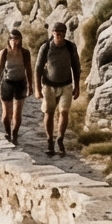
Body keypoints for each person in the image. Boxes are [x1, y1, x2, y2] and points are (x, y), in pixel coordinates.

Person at [37, 20, 82, 155]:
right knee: (49, 113)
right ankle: (50, 140)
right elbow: (38, 68)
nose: (58, 35)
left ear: (64, 34)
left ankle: (60, 138)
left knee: (63, 112)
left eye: (61, 33)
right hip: (49, 85)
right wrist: (37, 88)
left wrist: (77, 86)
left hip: (66, 85)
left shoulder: (70, 47)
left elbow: (76, 67)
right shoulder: (45, 47)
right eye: (56, 33)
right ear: (53, 33)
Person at [0, 26, 33, 141]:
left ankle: (15, 133)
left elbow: (28, 69)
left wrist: (30, 86)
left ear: (20, 40)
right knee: (6, 113)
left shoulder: (25, 53)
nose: (14, 42)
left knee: (17, 113)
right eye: (12, 39)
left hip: (20, 83)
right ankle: (7, 132)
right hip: (7, 83)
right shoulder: (4, 52)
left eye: (16, 39)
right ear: (8, 40)